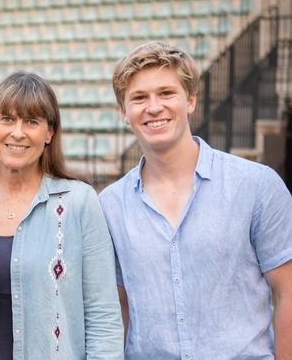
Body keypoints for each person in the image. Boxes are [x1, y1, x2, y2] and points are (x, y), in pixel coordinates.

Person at [99, 41, 292, 359]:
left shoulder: (256, 185)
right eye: (139, 98)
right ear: (124, 112)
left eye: (166, 93)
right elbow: (116, 310)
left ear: (190, 100)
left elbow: (287, 292)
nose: (153, 107)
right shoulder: (109, 206)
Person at [0, 71, 124, 360]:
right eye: (7, 119)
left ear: (49, 133)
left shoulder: (79, 203)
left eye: (32, 121)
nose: (18, 132)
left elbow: (103, 316)